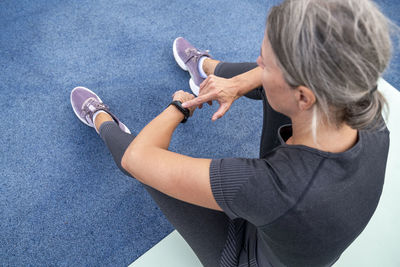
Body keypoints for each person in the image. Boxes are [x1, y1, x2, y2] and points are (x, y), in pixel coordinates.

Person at [70, 0, 394, 266]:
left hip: (242, 254)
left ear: (304, 96)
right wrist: (239, 82)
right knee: (269, 86)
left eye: (265, 63)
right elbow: (290, 86)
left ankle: (103, 120)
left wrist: (179, 107)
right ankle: (207, 69)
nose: (257, 63)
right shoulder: (366, 109)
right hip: (292, 224)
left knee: (145, 164)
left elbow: (137, 159)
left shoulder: (266, 185)